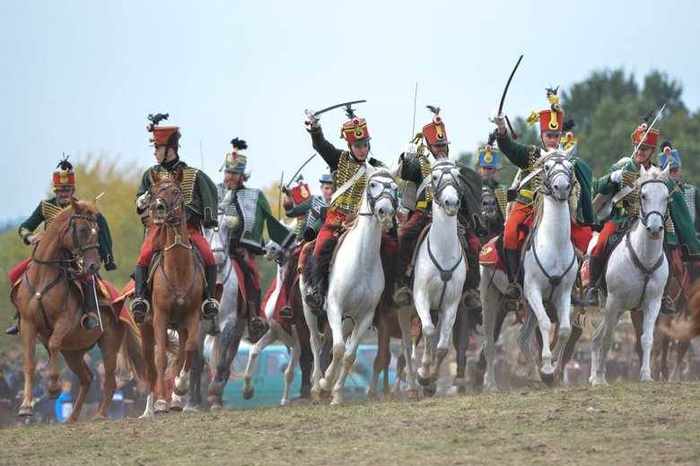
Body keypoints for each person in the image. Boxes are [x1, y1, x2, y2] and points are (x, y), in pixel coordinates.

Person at [493, 88, 594, 301]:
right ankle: (514, 281)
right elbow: (509, 148)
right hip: (528, 204)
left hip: (559, 207)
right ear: (542, 136)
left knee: (582, 237)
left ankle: (575, 285)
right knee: (510, 232)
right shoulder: (532, 155)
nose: (552, 140)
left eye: (556, 136)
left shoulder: (567, 159)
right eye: (549, 136)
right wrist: (502, 130)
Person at [584, 126, 700, 308]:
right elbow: (598, 187)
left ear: (652, 151)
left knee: (668, 255)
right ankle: (592, 287)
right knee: (600, 245)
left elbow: (672, 199)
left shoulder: (658, 173)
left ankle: (663, 297)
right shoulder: (623, 166)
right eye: (637, 147)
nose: (639, 152)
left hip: (648, 222)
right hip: (621, 219)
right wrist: (612, 178)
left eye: (644, 149)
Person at [5, 157, 117, 335]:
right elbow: (25, 227)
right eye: (61, 190)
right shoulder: (45, 206)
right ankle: (21, 316)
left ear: (73, 190)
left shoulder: (80, 209)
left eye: (67, 189)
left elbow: (97, 226)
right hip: (46, 257)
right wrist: (30, 237)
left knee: (88, 279)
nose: (64, 193)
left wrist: (105, 255)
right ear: (55, 190)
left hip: (73, 258)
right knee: (15, 276)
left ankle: (90, 313)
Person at [130, 114, 220, 324]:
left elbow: (209, 197)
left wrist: (199, 215)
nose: (155, 153)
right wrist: (144, 199)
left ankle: (209, 299)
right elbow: (139, 203)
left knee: (208, 255)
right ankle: (140, 298)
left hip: (188, 229)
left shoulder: (194, 175)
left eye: (157, 148)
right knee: (144, 256)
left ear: (170, 149)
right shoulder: (150, 175)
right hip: (158, 230)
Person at [302, 105, 389, 311]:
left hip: (363, 220)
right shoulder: (338, 158)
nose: (362, 149)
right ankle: (317, 290)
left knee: (390, 247)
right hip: (337, 218)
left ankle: (390, 293)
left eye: (365, 144)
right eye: (358, 145)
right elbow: (321, 145)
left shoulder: (376, 167)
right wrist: (315, 128)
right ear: (350, 145)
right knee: (320, 246)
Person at [219, 137, 295, 341]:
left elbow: (270, 221)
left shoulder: (255, 196)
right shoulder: (216, 192)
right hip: (215, 247)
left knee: (250, 276)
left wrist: (286, 243)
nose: (230, 177)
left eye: (234, 173)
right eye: (227, 172)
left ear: (242, 176)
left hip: (241, 251)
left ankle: (254, 317)